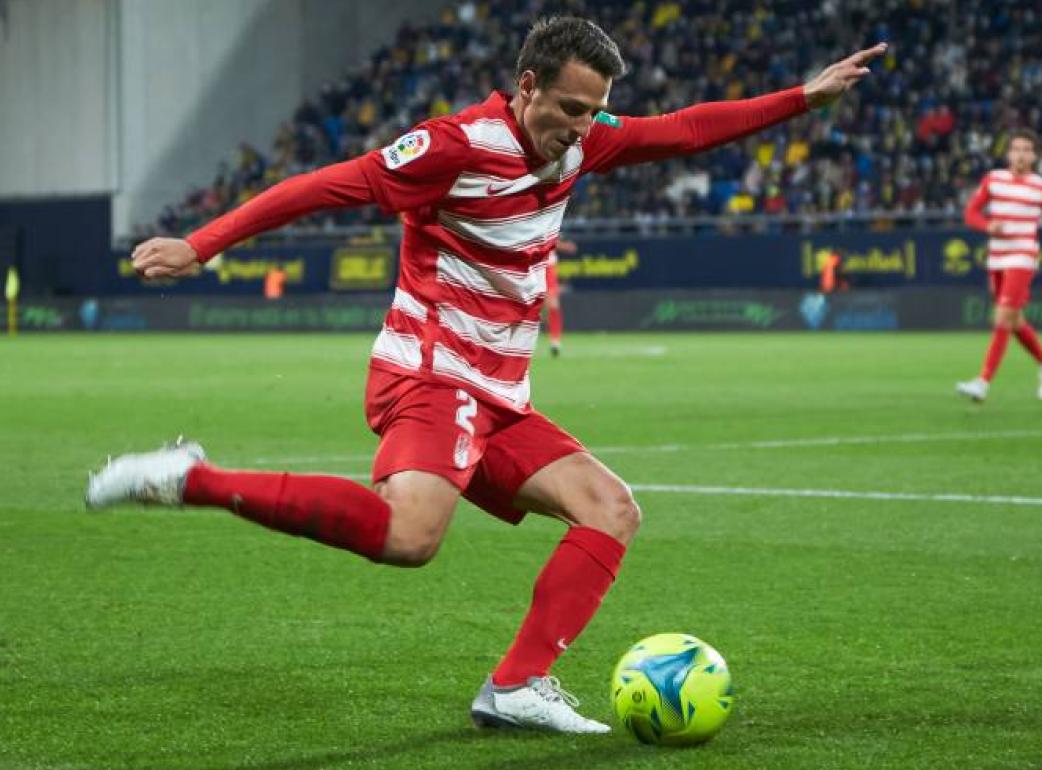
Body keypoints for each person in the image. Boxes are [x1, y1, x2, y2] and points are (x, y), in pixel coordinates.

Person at [86, 16, 887, 734]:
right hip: (432, 374)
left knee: (610, 509)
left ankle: (518, 685)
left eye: (593, 113)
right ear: (526, 84)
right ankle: (193, 479)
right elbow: (319, 187)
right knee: (409, 536)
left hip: (498, 393)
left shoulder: (585, 140)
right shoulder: (452, 147)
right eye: (568, 109)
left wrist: (801, 99)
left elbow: (681, 130)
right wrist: (205, 243)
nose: (578, 131)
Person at [957, 129, 1042, 402]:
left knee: (1002, 317)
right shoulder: (994, 179)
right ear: (1008, 153)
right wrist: (987, 225)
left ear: (1034, 155)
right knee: (1015, 320)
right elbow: (970, 213)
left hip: (1022, 256)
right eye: (1016, 149)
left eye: (1026, 149)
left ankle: (983, 382)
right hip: (997, 256)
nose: (1020, 154)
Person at [545, 238, 576, 356]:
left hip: (548, 266)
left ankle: (555, 341)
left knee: (553, 305)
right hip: (534, 265)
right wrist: (565, 246)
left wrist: (562, 246)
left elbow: (550, 240)